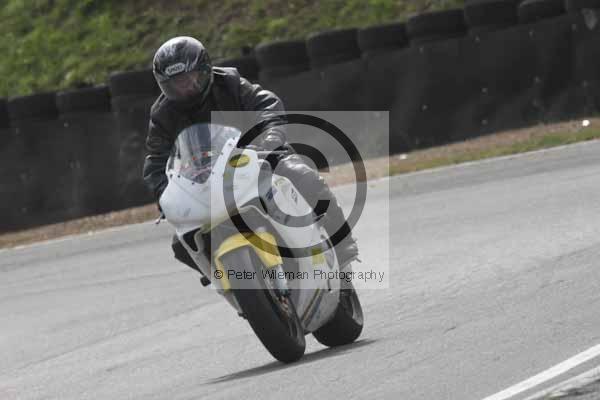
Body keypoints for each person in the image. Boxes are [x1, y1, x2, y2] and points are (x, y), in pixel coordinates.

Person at [142, 36, 358, 280]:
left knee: (304, 177)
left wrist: (270, 137)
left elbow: (265, 103)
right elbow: (156, 159)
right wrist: (164, 193)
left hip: (256, 157)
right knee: (180, 244)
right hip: (205, 180)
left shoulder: (229, 83)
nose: (185, 88)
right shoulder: (162, 115)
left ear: (204, 70)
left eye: (189, 79)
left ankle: (343, 245)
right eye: (176, 84)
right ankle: (226, 275)